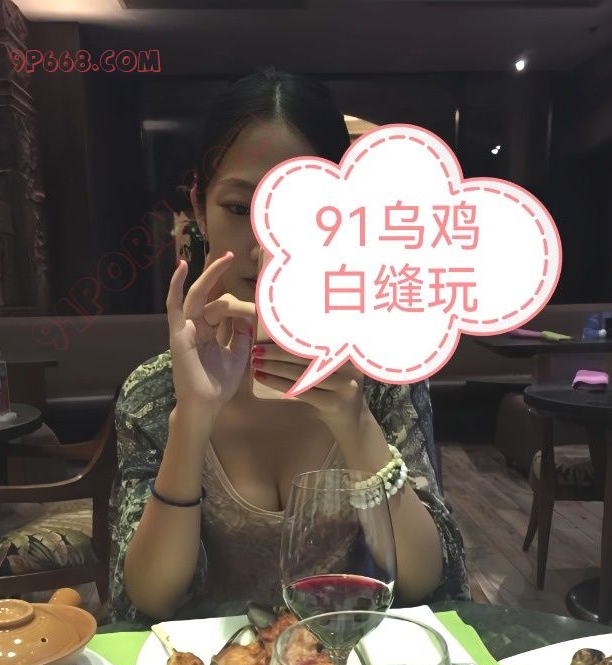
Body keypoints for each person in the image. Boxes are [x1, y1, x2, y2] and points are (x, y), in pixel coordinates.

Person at [108, 68, 469, 627]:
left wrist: (355, 421)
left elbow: (427, 582)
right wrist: (191, 421)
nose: (267, 247)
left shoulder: (380, 374)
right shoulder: (154, 393)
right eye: (239, 209)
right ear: (199, 208)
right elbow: (150, 600)